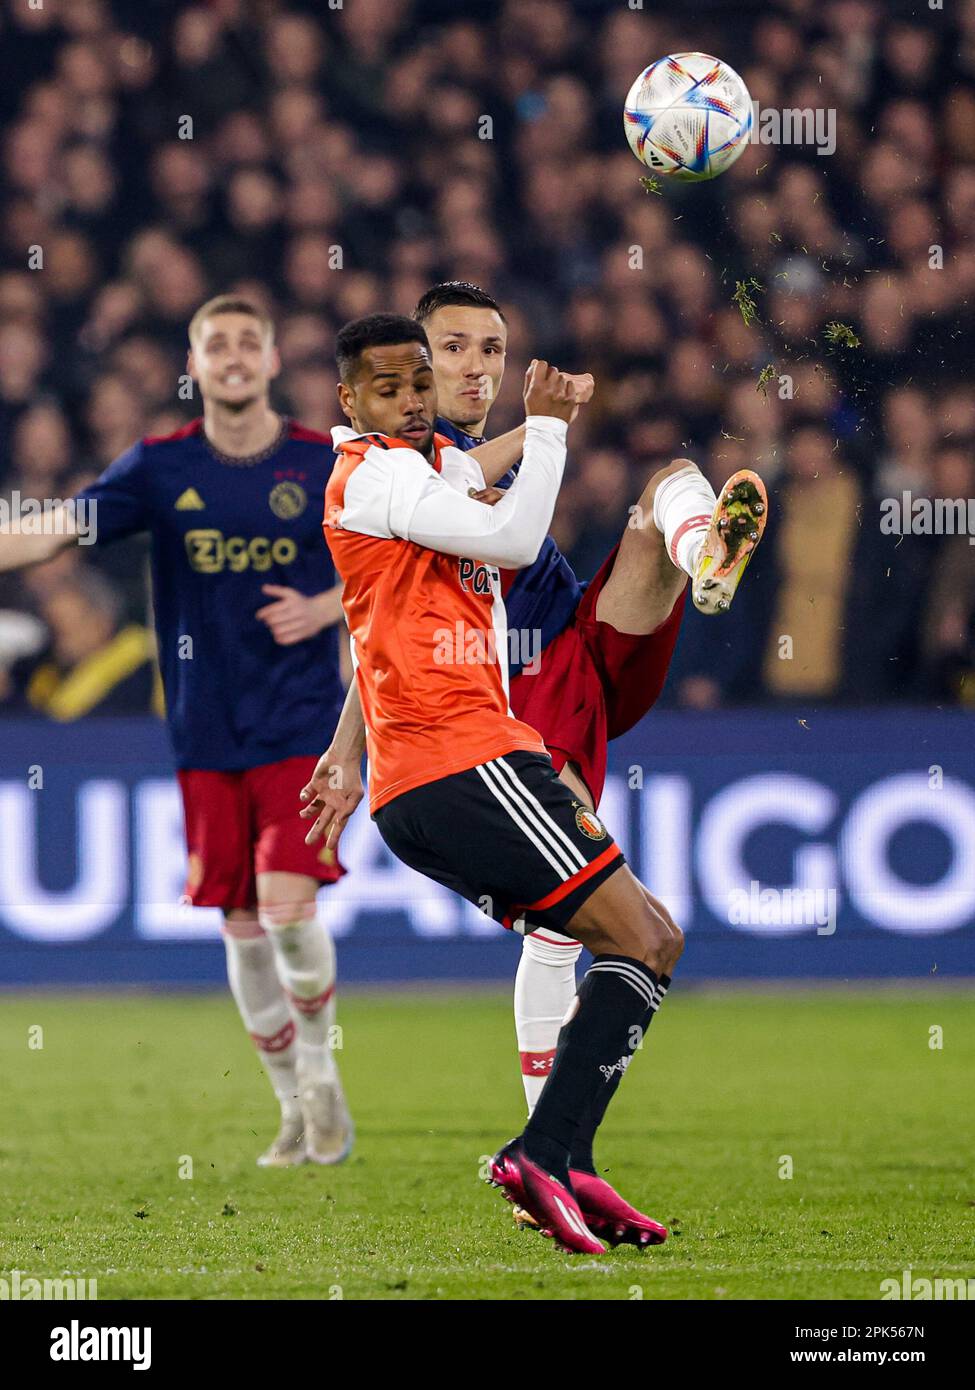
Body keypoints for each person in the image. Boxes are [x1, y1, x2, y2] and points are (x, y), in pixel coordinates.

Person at [308, 310, 686, 1254]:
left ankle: (565, 1160)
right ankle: (541, 1152)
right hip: (465, 761)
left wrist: (348, 750)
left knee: (626, 941)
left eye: (416, 386)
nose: (406, 402)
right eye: (385, 388)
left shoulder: (417, 465)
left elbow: (464, 479)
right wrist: (551, 427)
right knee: (644, 937)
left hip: (428, 782)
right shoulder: (381, 473)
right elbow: (513, 540)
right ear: (347, 400)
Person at [0, 295, 353, 1168]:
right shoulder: (158, 467)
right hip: (202, 728)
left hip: (300, 722)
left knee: (287, 910)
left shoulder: (325, 463)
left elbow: (401, 560)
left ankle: (319, 1074)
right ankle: (290, 1113)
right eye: (215, 343)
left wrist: (328, 604)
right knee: (238, 926)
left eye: (247, 341)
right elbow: (58, 533)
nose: (233, 356)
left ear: (270, 361)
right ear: (195, 367)